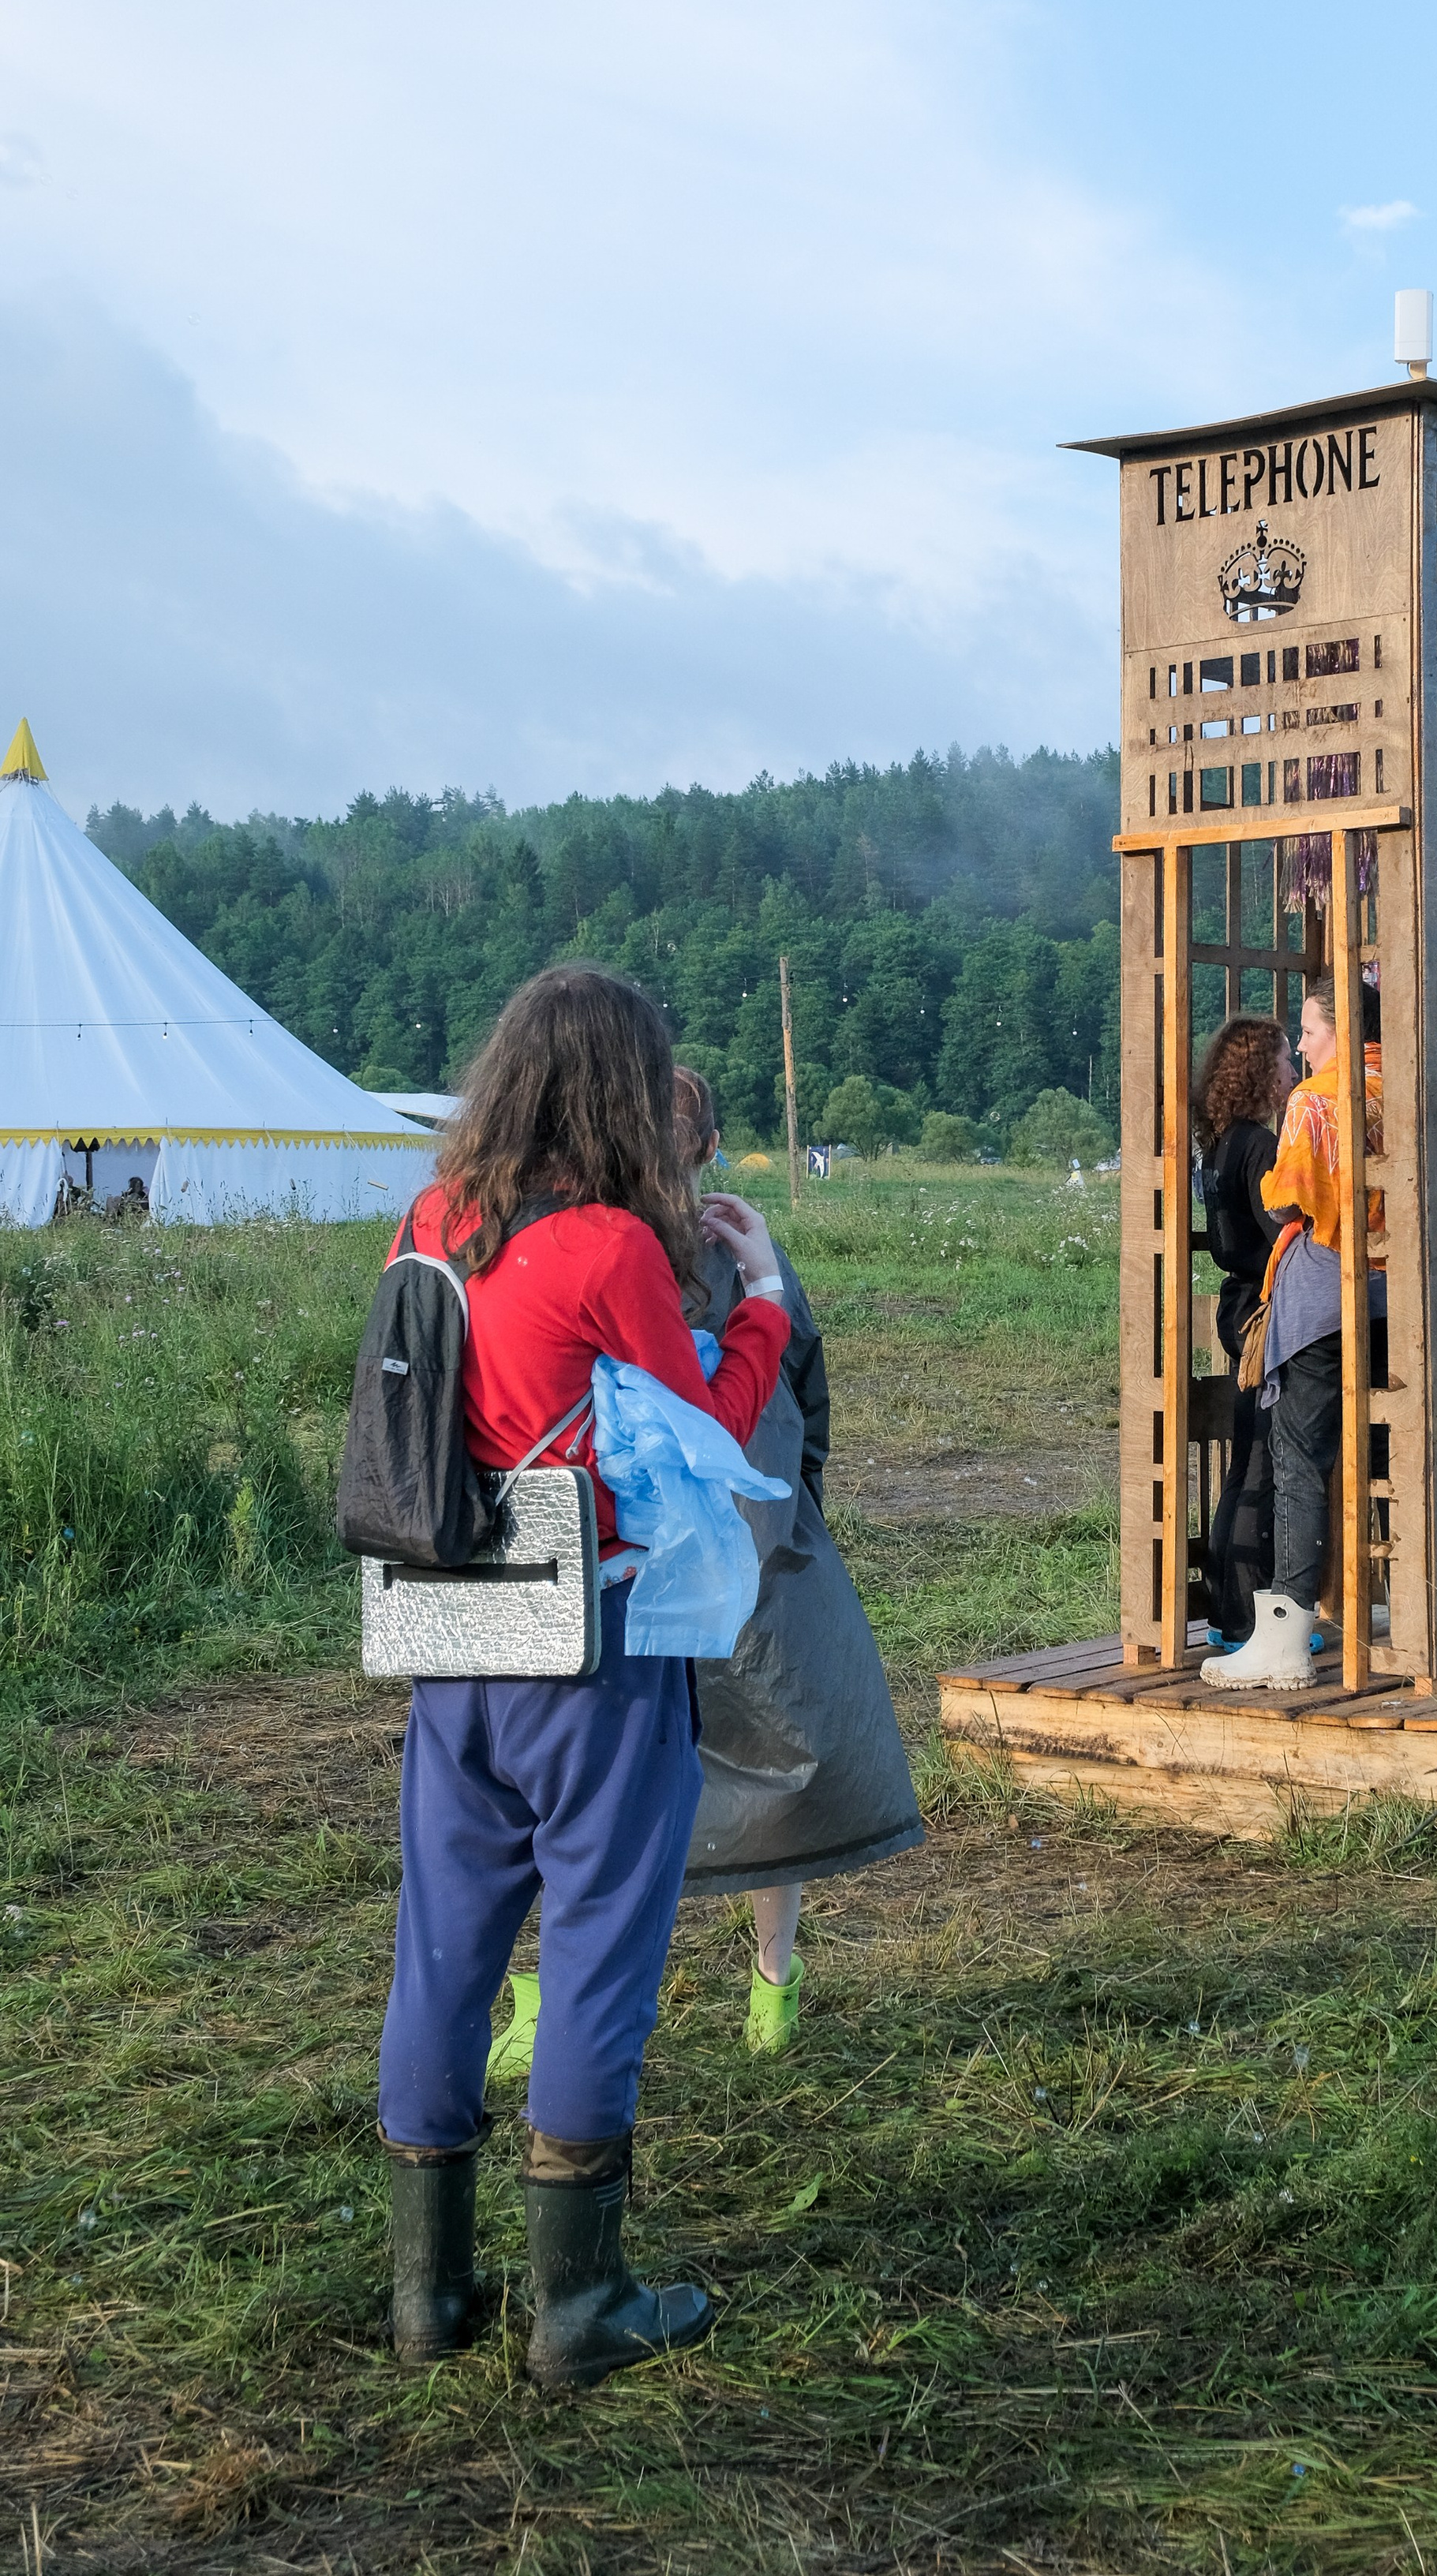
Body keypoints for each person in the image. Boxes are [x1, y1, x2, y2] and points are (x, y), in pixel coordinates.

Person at [374, 966, 791, 2390]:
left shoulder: (428, 1222)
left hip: (449, 1643)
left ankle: (429, 2294)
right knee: (600, 1944)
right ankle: (579, 2302)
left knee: (443, 1947)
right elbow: (710, 1428)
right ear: (625, 1086)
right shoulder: (610, 1244)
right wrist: (768, 1306)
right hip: (589, 1647)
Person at [669, 1071, 922, 2050]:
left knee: (598, 1778)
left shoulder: (611, 1244)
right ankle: (771, 1980)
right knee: (777, 1750)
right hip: (752, 1538)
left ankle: (575, 1990)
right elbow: (808, 1398)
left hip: (668, 1551)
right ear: (713, 1144)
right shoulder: (747, 1251)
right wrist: (795, 1502)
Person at [1199, 977, 1385, 1692]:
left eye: (1308, 1030)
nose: (1301, 1044)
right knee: (1362, 1448)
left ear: (1338, 1029)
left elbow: (1286, 1193)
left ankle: (1284, 1638)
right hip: (1381, 1292)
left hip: (1319, 1296)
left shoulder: (1315, 1100)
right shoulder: (1398, 1089)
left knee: (1298, 1455)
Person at [1190, 1015, 1295, 1647]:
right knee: (1261, 1464)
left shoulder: (1222, 1142)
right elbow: (1279, 1225)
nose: (1293, 1069)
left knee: (1244, 1459)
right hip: (1263, 1309)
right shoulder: (1258, 1144)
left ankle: (1229, 1613)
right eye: (1284, 1059)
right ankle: (1247, 1618)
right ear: (1261, 1070)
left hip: (1237, 1307)